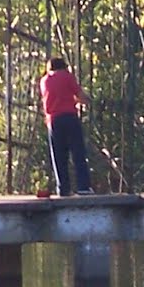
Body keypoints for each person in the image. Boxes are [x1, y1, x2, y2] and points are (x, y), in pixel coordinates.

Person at [39, 57, 93, 196]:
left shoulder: (44, 81)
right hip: (69, 117)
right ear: (64, 67)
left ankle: (63, 189)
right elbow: (80, 96)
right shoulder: (67, 76)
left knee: (59, 156)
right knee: (78, 152)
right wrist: (87, 101)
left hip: (53, 120)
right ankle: (83, 187)